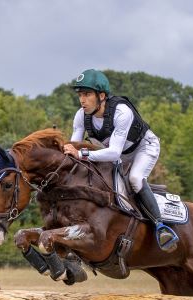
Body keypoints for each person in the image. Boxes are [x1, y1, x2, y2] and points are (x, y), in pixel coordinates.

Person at [62, 68, 179, 252]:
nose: (82, 100)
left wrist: (81, 154)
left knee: (135, 178)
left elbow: (113, 153)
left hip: (144, 148)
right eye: (80, 95)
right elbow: (74, 146)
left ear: (101, 95)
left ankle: (160, 227)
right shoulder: (81, 116)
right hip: (118, 155)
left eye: (87, 94)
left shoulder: (121, 112)